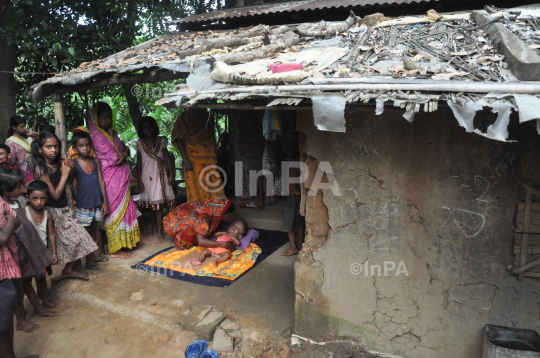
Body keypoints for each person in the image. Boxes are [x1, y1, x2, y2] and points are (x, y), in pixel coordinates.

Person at [32, 131, 99, 280]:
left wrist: (70, 168)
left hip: (64, 210)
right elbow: (55, 195)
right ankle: (68, 269)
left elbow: (69, 183)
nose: (53, 150)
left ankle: (68, 269)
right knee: (79, 239)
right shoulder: (41, 169)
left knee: (82, 239)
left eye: (56, 146)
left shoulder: (59, 163)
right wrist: (64, 173)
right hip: (53, 212)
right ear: (40, 149)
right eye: (48, 147)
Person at [87, 102, 140, 258]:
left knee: (124, 211)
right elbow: (112, 158)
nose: (108, 121)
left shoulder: (113, 133)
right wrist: (122, 155)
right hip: (109, 179)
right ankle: (115, 249)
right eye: (104, 118)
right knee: (113, 212)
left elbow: (126, 150)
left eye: (110, 117)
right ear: (96, 118)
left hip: (121, 180)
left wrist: (124, 154)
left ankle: (126, 242)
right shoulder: (95, 137)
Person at [5, 178, 57, 333]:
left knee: (42, 276)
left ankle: (44, 300)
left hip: (40, 251)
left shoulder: (15, 205)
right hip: (23, 254)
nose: (22, 188)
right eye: (19, 186)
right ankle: (35, 310)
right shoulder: (15, 210)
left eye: (42, 198)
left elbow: (50, 234)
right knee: (25, 283)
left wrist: (52, 252)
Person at [0, 168, 39, 358]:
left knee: (5, 323)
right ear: (6, 190)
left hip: (8, 266)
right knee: (2, 325)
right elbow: (3, 237)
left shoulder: (5, 202)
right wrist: (13, 221)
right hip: (2, 272)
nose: (23, 189)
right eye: (19, 186)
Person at [71, 131, 110, 267]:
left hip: (97, 202)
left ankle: (92, 257)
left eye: (88, 145)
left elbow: (101, 180)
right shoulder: (74, 164)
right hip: (83, 204)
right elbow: (70, 183)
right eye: (81, 146)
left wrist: (104, 201)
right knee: (85, 233)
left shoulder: (95, 161)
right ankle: (88, 261)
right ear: (75, 149)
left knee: (94, 230)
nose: (85, 148)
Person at [171, 109, 226, 203]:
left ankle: (216, 212)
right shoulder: (183, 118)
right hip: (192, 160)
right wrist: (185, 159)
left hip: (209, 160)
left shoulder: (208, 117)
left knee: (213, 187)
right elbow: (178, 139)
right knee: (196, 189)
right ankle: (199, 213)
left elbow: (211, 140)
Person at [136, 116, 176, 243]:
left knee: (159, 206)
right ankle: (154, 227)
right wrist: (139, 180)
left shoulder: (161, 141)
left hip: (160, 176)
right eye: (145, 127)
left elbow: (167, 158)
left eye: (150, 126)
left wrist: (171, 175)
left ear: (155, 127)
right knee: (151, 205)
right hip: (146, 177)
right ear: (141, 130)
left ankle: (159, 231)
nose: (148, 130)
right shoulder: (139, 143)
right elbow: (139, 162)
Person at [164, 197, 237, 252]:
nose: (229, 219)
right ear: (221, 212)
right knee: (190, 231)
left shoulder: (213, 208)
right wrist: (224, 244)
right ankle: (179, 240)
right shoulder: (203, 217)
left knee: (211, 227)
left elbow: (219, 223)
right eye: (228, 216)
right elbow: (201, 241)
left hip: (186, 215)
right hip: (171, 223)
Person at [281, 150, 305, 257]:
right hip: (296, 196)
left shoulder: (297, 167)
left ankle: (293, 246)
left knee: (289, 221)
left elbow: (308, 182)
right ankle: (298, 244)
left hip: (295, 197)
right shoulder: (296, 166)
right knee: (299, 221)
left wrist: (300, 192)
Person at [5, 115, 38, 185]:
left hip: (36, 167)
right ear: (14, 127)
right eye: (22, 127)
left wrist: (34, 133)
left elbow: (45, 138)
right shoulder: (10, 142)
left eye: (24, 126)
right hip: (24, 171)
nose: (24, 128)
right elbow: (12, 161)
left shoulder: (29, 138)